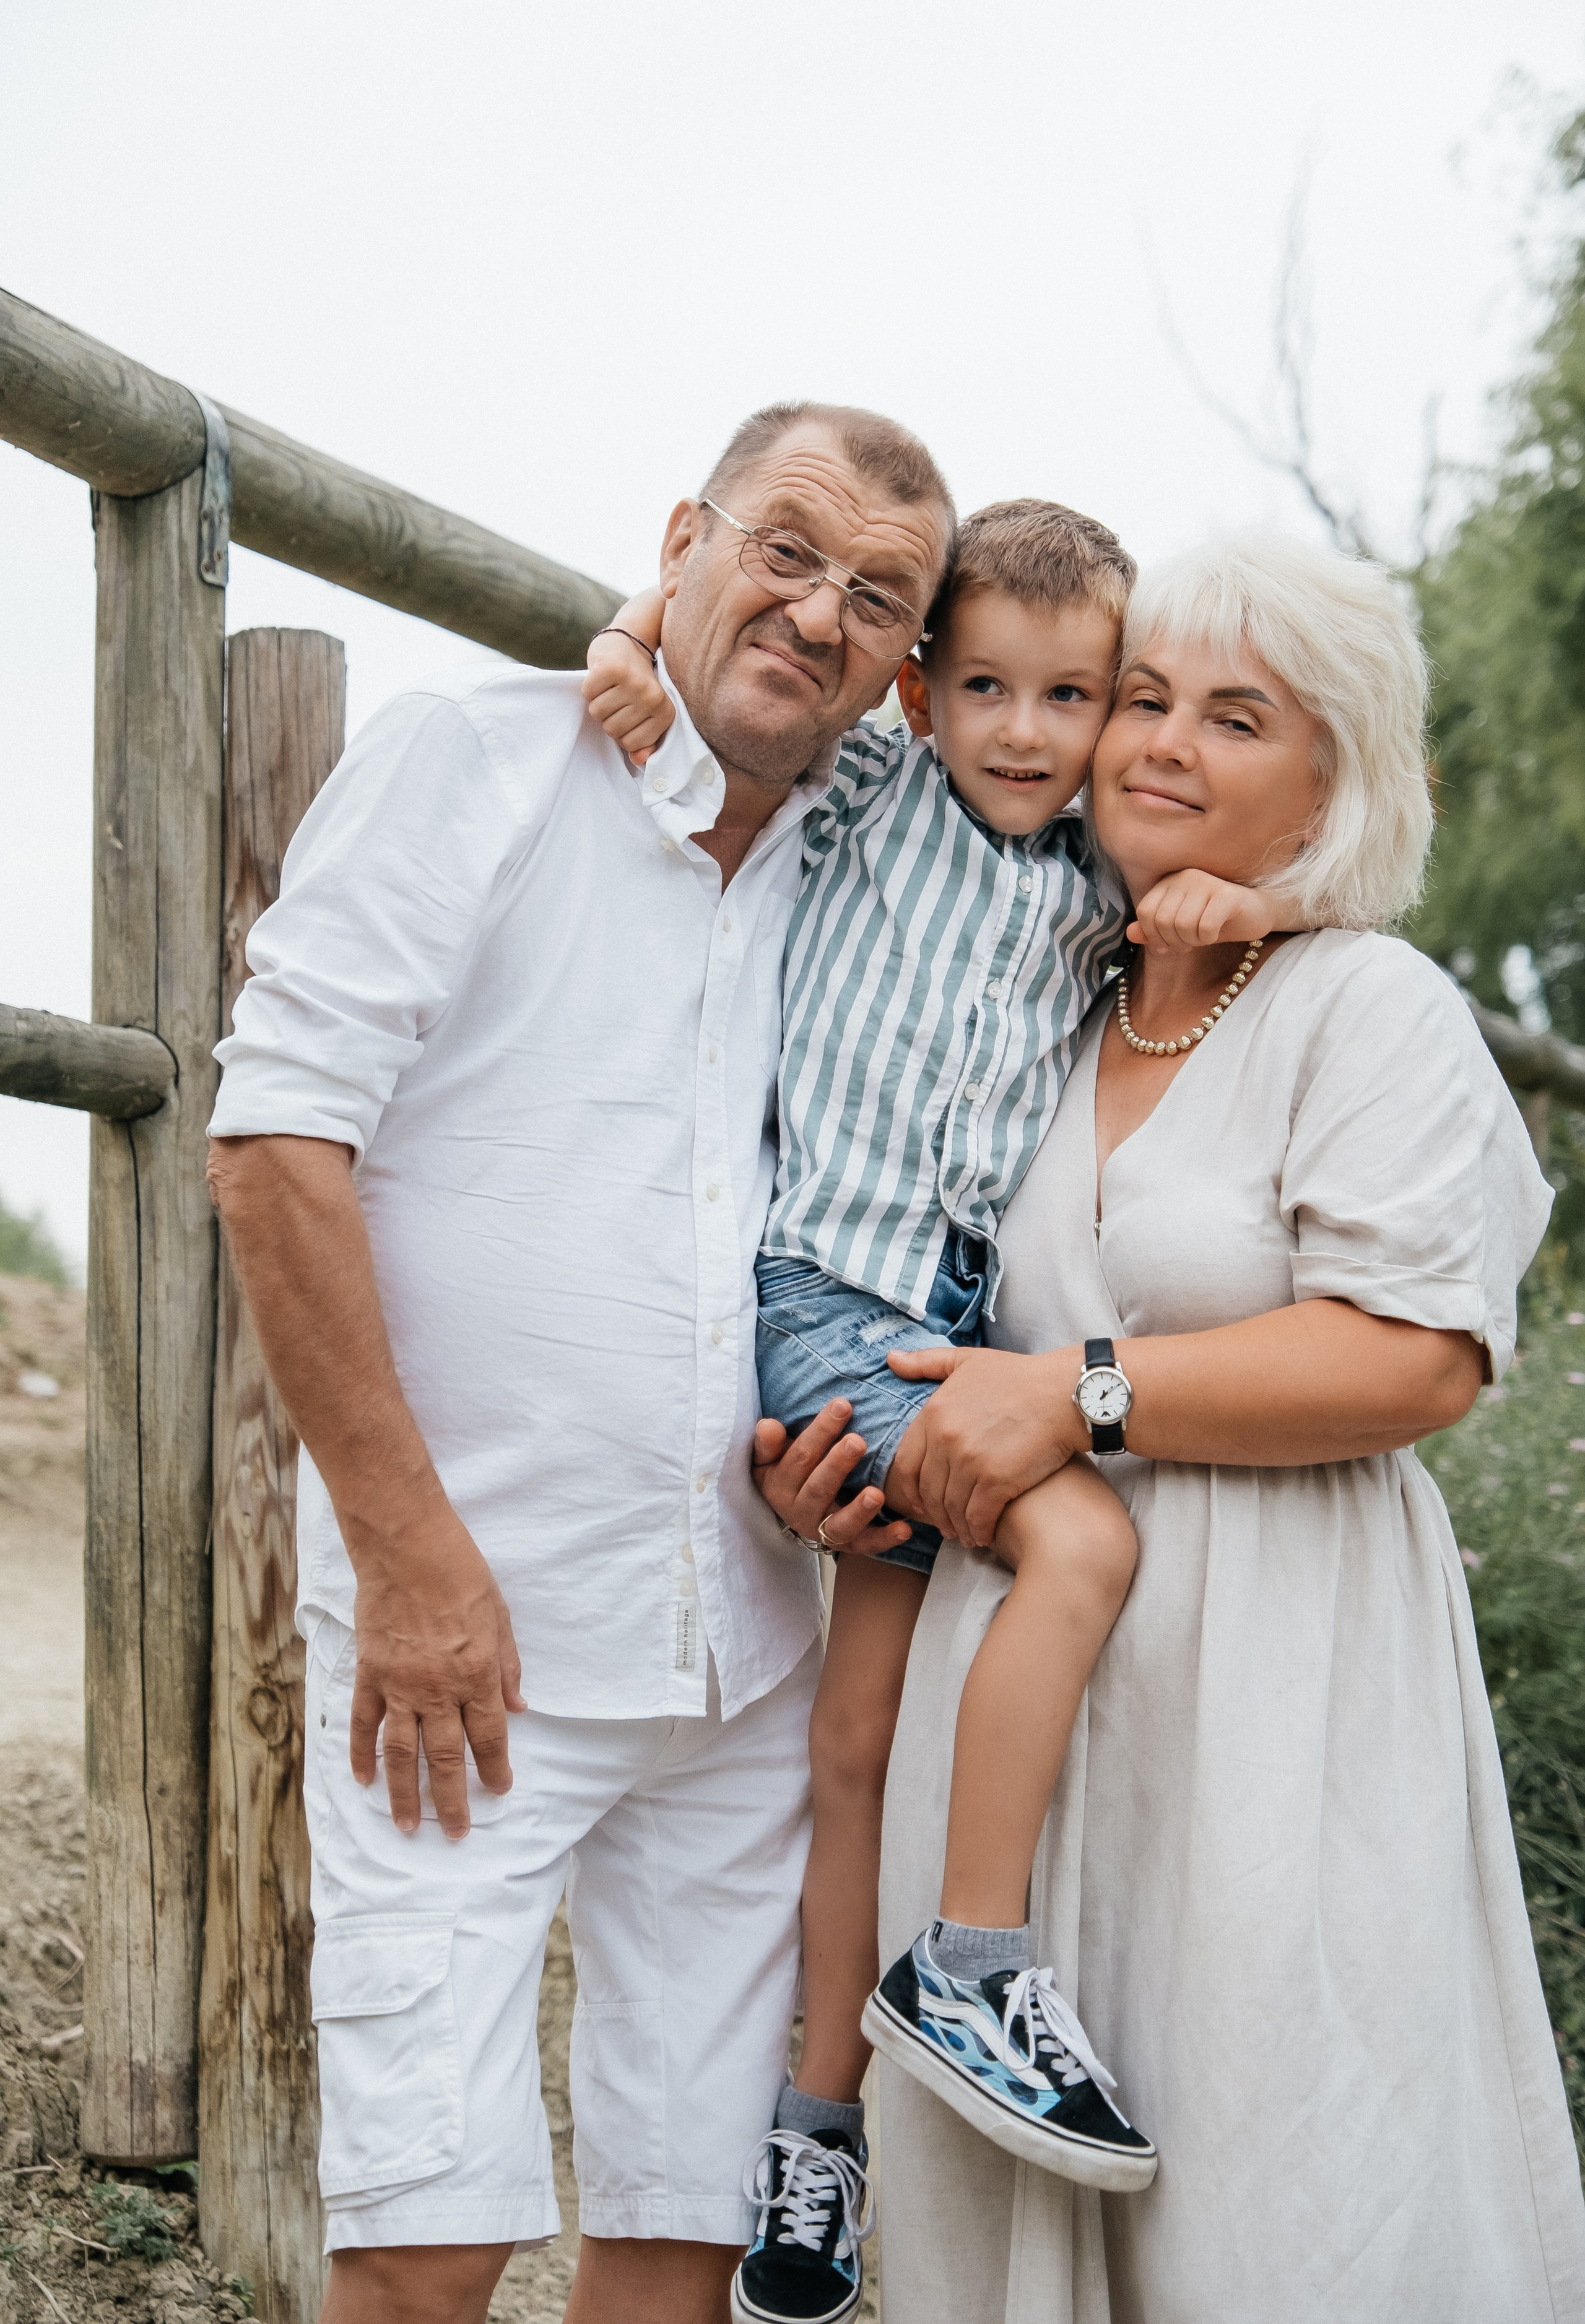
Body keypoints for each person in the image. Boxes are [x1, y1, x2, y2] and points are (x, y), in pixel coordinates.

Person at [766, 533, 1585, 2322]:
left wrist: (1079, 1392)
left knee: (1281, 2198)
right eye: (1143, 698)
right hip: (1017, 1696)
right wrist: (848, 1462)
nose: (1159, 743)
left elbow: (1421, 1361)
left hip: (1282, 1690)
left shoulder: (1367, 1006)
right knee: (1016, 2232)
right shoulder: (1048, 1000)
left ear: (1334, 784)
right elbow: (919, 1311)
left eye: (1236, 716)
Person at [204, 401, 955, 2324]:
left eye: (879, 597)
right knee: (428, 2238)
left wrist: (802, 1445)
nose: (820, 613)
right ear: (680, 541)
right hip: (462, 1647)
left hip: (744, 1653)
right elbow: (275, 1145)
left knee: (681, 2234)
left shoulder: (871, 864)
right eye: (785, 551)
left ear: (903, 661)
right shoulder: (478, 763)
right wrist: (409, 1558)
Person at [584, 505, 1287, 2324]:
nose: (1028, 734)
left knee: (859, 1738)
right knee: (1083, 1538)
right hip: (828, 1306)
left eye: (1073, 695)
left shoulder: (1099, 881)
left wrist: (1255, 903)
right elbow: (730, 665)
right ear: (920, 688)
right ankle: (970, 1963)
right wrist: (629, 633)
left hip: (959, 1338)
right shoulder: (876, 794)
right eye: (986, 688)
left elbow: (1277, 872)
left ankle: (814, 2140)